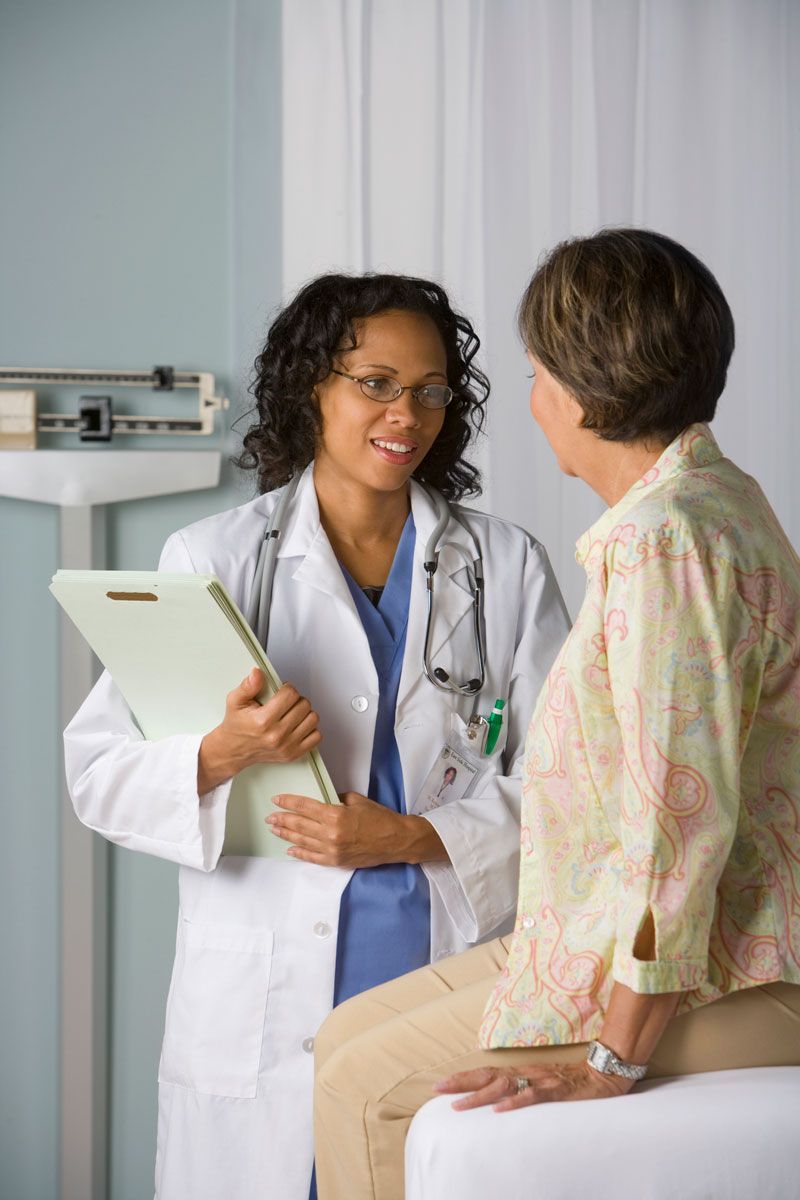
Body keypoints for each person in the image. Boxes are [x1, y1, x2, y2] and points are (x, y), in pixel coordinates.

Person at [311, 231, 800, 1200]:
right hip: (640, 938)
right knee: (336, 1038)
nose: (528, 399)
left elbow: (679, 826)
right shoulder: (710, 498)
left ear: (582, 391)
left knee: (364, 1085)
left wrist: (609, 1060)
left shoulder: (665, 547)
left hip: (740, 971)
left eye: (536, 371)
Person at [63, 272, 571, 1200]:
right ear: (312, 390)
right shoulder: (215, 559)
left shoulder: (505, 566)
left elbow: (573, 788)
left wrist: (414, 837)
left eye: (428, 390)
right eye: (374, 382)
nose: (405, 414)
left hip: (440, 973)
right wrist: (225, 752)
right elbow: (98, 773)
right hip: (259, 999)